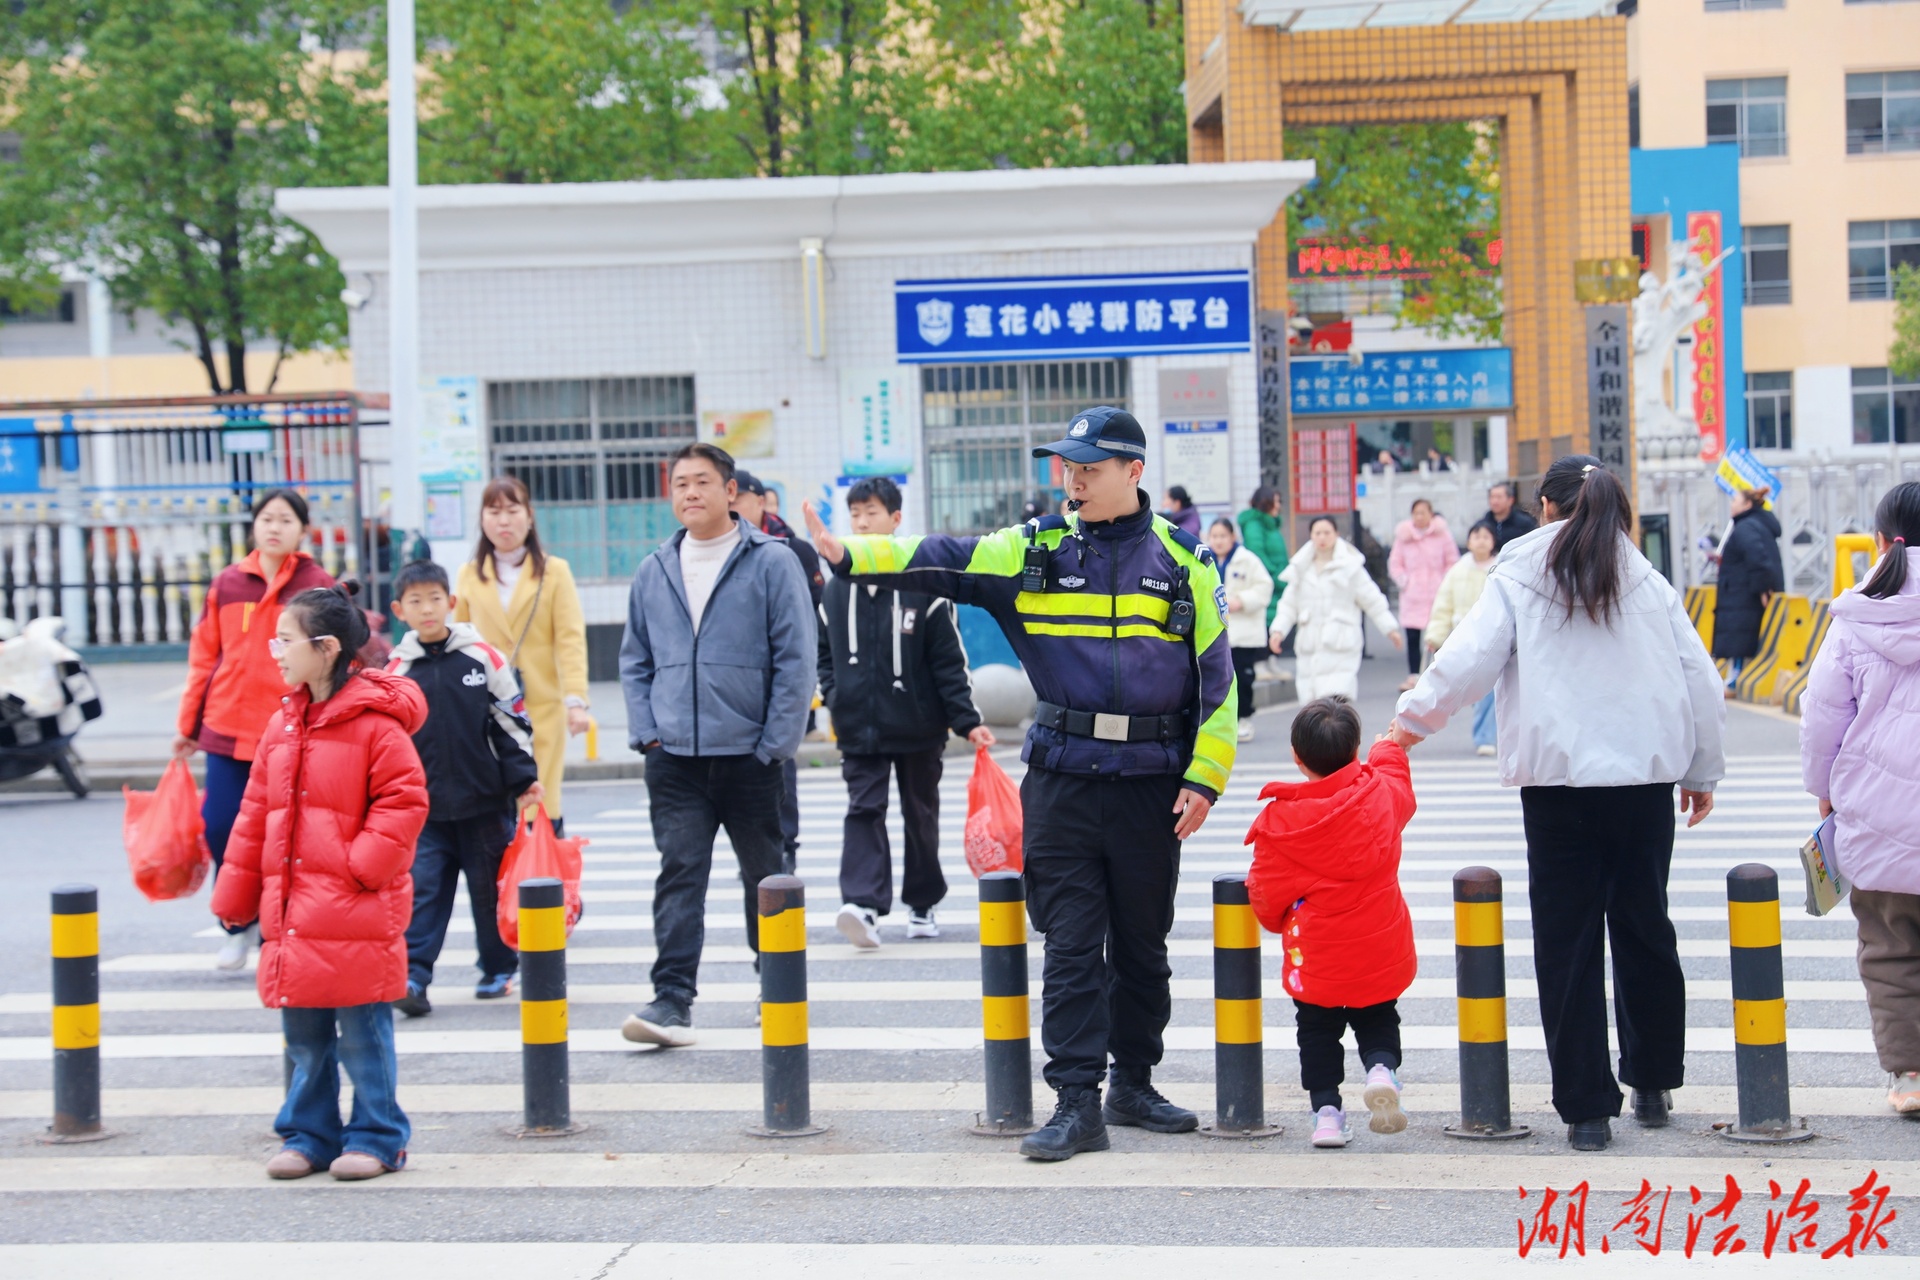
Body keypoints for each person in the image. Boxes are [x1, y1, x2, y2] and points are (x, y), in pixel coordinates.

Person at [801, 405, 1236, 1163]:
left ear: (1133, 472)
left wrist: (1206, 775)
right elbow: (942, 554)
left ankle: (1134, 1082)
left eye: (1089, 468)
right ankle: (1076, 1102)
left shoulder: (1184, 560)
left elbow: (1218, 681)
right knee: (1070, 945)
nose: (1073, 480)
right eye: (1067, 466)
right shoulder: (1031, 548)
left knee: (1142, 947)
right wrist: (853, 557)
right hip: (1062, 781)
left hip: (1150, 785)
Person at [1392, 455, 1726, 1151]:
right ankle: (1654, 1081)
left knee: (1568, 943)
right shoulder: (1646, 574)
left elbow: (1469, 658)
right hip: (1643, 783)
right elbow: (1699, 676)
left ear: (1544, 506)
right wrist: (1702, 768)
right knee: (1644, 927)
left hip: (1558, 788)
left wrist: (1410, 723)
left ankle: (1586, 1111)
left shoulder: (1519, 570)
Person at [211, 585, 429, 1181]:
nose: (274, 650)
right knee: (303, 1034)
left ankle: (379, 1136)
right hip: (292, 911)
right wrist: (234, 898)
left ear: (327, 648)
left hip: (353, 907)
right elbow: (255, 815)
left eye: (285, 639)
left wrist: (360, 868)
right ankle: (308, 1134)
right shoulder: (282, 726)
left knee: (363, 1032)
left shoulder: (377, 725)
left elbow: (404, 802)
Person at [617, 443, 815, 1048]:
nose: (691, 494)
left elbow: (796, 658)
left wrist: (774, 744)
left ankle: (777, 981)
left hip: (751, 758)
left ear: (731, 492)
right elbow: (635, 660)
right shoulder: (655, 568)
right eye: (681, 484)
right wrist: (648, 734)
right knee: (679, 874)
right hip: (674, 758)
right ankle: (671, 1000)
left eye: (703, 482)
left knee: (766, 875)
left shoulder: (772, 562)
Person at [819, 476, 994, 948]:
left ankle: (922, 901)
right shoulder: (835, 589)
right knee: (864, 809)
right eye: (855, 514)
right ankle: (862, 905)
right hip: (858, 726)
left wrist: (969, 721)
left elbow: (948, 662)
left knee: (920, 815)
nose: (861, 521)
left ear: (895, 520)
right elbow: (823, 652)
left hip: (919, 727)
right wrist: (835, 696)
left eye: (871, 512)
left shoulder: (923, 583)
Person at [174, 488, 336, 970]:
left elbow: (332, 655)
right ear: (253, 527)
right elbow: (204, 656)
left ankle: (274, 927)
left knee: (284, 836)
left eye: (286, 520)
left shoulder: (316, 584)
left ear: (302, 531)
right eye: (267, 518)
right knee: (221, 826)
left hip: (289, 729)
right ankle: (236, 925)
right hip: (227, 728)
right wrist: (188, 724)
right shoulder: (227, 583)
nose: (274, 527)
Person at [1245, 696, 1416, 1148]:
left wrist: (1282, 920)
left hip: (1317, 951)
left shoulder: (1281, 822)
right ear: (1356, 749)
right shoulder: (1378, 795)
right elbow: (1394, 778)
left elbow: (1263, 893)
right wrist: (1391, 748)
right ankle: (1381, 1070)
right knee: (1378, 1013)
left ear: (1297, 759)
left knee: (1317, 1030)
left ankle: (1326, 1115)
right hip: (1379, 944)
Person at [1799, 481, 1920, 1114]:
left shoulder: (1855, 617)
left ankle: (1910, 1076)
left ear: (1880, 541)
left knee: (1892, 947)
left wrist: (1823, 795)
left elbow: (1823, 717)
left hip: (1877, 817)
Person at [384, 560, 542, 1017]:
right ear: (400, 610)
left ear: (451, 603)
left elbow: (511, 722)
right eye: (415, 601)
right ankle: (413, 976)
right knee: (424, 890)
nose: (427, 608)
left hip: (484, 804)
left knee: (488, 890)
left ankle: (497, 967)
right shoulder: (396, 671)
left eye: (435, 598)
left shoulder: (483, 658)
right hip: (424, 810)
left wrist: (524, 779)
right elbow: (387, 741)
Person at [455, 477, 590, 831]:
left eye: (512, 510)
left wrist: (576, 700)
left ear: (529, 516)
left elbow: (570, 639)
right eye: (494, 511)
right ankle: (506, 885)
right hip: (486, 713)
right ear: (482, 519)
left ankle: (547, 883)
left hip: (541, 710)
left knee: (541, 807)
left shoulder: (554, 571)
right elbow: (460, 645)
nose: (504, 520)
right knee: (494, 813)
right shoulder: (469, 576)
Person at [733, 471, 824, 874]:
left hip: (783, 675)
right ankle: (751, 846)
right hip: (735, 681)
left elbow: (817, 613)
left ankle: (785, 844)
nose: (732, 505)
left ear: (760, 501)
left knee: (778, 761)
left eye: (738, 496)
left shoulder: (795, 550)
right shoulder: (717, 551)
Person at [1266, 516, 1403, 701]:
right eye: (1317, 533)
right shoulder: (1301, 567)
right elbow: (1288, 605)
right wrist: (1278, 631)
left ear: (1336, 534)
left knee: (1337, 705)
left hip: (1341, 643)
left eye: (1327, 532)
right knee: (1313, 710)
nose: (1322, 537)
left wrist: (1390, 628)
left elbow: (1372, 599)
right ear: (1311, 536)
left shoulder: (1350, 567)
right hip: (1310, 646)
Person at [1425, 520, 1501, 757]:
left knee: (1489, 692)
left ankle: (1485, 737)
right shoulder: (1457, 570)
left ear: (1493, 542)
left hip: (1495, 637)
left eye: (1486, 536)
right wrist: (1435, 635)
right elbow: (1443, 605)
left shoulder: (1501, 569)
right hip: (1464, 638)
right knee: (1475, 691)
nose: (1480, 540)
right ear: (1468, 541)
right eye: (1476, 535)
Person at [1712, 486, 1785, 690]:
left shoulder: (1746, 527)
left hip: (1742, 596)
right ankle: (1735, 680)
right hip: (1744, 594)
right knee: (1744, 640)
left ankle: (1735, 681)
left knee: (1741, 642)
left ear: (1747, 504)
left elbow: (1758, 558)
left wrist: (1763, 588)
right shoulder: (1756, 524)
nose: (1732, 504)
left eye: (1735, 500)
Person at [1209, 516, 1274, 743]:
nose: (1218, 541)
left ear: (1233, 537)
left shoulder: (1248, 560)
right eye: (1214, 536)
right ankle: (1223, 723)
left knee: (1242, 678)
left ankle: (1244, 718)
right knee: (1218, 680)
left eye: (1223, 536)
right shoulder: (1204, 559)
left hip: (1244, 633)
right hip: (1215, 633)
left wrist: (1242, 601)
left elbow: (1265, 587)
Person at [1387, 498, 1459, 693]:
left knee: (1437, 634)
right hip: (1413, 593)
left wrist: (1445, 582)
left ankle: (1437, 673)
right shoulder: (1404, 537)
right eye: (1416, 513)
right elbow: (1395, 563)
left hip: (1437, 591)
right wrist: (1404, 581)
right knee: (1412, 636)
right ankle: (1414, 675)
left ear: (1431, 514)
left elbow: (1452, 560)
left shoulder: (1442, 535)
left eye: (1423, 512)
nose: (1419, 517)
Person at [1237, 485, 1289, 634]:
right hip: (1271, 583)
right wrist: (1277, 577)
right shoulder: (1254, 525)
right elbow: (1258, 556)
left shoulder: (1271, 525)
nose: (1278, 506)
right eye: (1276, 501)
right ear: (1266, 502)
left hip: (1278, 584)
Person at [1483, 481, 1538, 551]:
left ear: (1510, 500)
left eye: (1499, 497)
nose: (1495, 501)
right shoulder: (1484, 523)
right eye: (1492, 497)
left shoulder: (1525, 524)